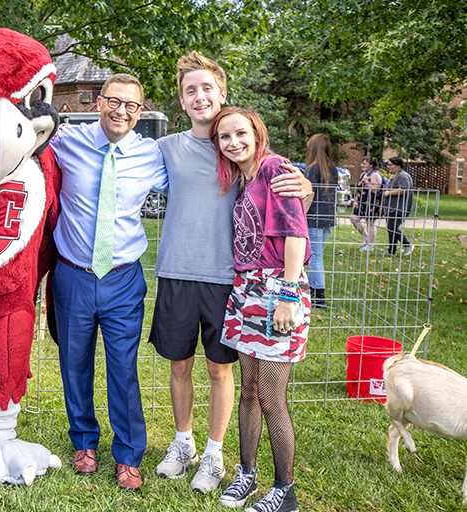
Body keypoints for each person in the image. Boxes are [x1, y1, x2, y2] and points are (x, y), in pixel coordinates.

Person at [150, 52, 312, 495]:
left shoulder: (242, 150)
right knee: (178, 365)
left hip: (230, 281)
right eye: (190, 90)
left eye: (207, 88)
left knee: (221, 372)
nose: (199, 96)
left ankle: (216, 453)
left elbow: (283, 203)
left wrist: (307, 187)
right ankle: (182, 445)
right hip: (177, 273)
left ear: (222, 93)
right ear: (181, 101)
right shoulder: (167, 148)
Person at [50, 73, 167, 492]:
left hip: (123, 280)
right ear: (98, 102)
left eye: (131, 105)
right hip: (73, 276)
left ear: (141, 111)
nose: (121, 111)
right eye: (113, 102)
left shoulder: (152, 155)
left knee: (123, 368)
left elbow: (199, 183)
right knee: (74, 365)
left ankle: (128, 454)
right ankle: (83, 442)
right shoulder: (66, 140)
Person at [210, 106, 311, 512]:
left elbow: (295, 233)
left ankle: (285, 491)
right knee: (248, 392)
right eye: (224, 137)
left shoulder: (274, 169)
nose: (233, 142)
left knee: (271, 397)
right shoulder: (242, 177)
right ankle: (246, 474)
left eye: (240, 133)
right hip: (246, 289)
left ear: (257, 132)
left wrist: (287, 294)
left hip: (277, 289)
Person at [303, 134, 339, 309]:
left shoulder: (312, 169)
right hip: (328, 219)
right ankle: (314, 292)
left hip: (314, 219)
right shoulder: (333, 168)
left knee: (315, 258)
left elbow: (309, 196)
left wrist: (300, 214)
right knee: (318, 257)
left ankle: (318, 296)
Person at [350, 156, 384, 251]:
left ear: (371, 165)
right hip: (361, 202)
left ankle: (370, 245)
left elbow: (375, 190)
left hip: (372, 203)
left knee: (370, 223)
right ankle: (365, 236)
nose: (362, 165)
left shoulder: (375, 175)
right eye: (362, 163)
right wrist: (356, 200)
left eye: (365, 164)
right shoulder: (363, 174)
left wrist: (366, 182)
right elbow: (360, 189)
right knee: (353, 218)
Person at [382, 156, 414, 256]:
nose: (389, 167)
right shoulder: (393, 176)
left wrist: (389, 193)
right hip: (391, 206)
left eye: (391, 165)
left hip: (400, 207)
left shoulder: (403, 176)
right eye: (389, 164)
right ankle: (392, 251)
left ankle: (407, 244)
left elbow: (404, 189)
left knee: (392, 227)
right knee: (391, 228)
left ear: (398, 165)